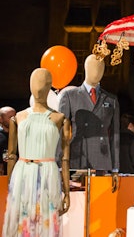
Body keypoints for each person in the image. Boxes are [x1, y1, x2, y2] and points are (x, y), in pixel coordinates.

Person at [2, 68, 71, 236]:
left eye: (43, 83)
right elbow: (11, 155)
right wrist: (11, 186)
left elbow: (65, 158)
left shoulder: (60, 119)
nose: (38, 88)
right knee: (21, 223)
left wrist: (67, 192)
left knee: (46, 222)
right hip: (22, 174)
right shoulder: (17, 117)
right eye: (35, 83)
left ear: (49, 87)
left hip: (48, 174)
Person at [58, 54, 120, 192]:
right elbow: (61, 133)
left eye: (101, 68)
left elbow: (115, 136)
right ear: (86, 68)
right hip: (76, 159)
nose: (97, 71)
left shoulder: (111, 99)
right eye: (93, 67)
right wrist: (59, 166)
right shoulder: (69, 96)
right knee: (76, 206)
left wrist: (115, 169)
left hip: (102, 162)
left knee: (99, 205)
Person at [0, 106, 16, 175]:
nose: (13, 120)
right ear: (1, 119)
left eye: (14, 117)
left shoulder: (20, 134)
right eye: (10, 117)